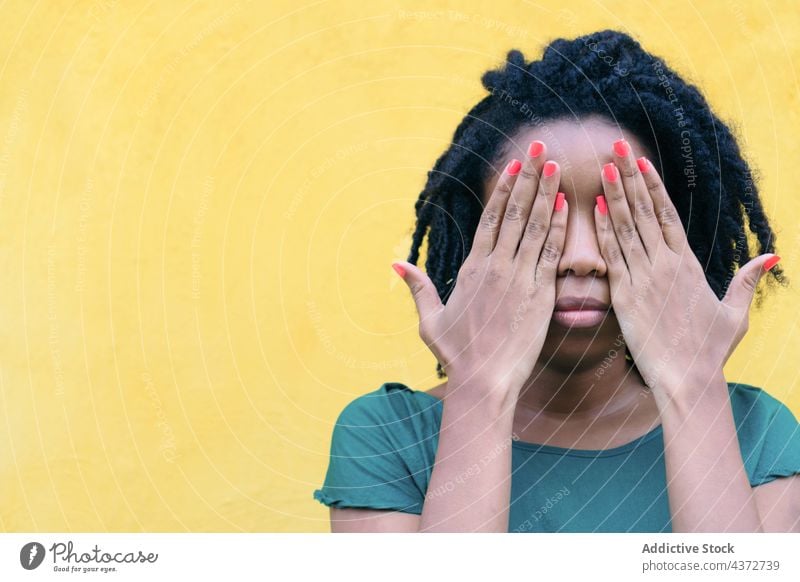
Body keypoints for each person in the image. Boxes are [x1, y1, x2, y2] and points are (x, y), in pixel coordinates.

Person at [312, 29, 800, 532]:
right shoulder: (390, 434)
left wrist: (692, 386)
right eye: (540, 220)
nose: (583, 258)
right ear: (472, 248)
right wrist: (481, 388)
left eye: (620, 217)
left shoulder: (757, 433)